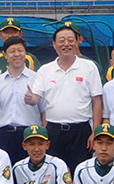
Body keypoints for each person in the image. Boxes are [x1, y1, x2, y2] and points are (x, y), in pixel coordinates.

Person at [25, 23, 103, 174]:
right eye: (61, 40)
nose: (66, 44)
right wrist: (30, 98)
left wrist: (95, 132)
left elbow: (97, 101)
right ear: (54, 44)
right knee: (54, 173)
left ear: (78, 42)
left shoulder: (89, 67)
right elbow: (36, 98)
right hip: (53, 131)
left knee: (81, 173)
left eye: (70, 40)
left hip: (81, 131)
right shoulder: (45, 70)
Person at [0, 36, 45, 165]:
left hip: (30, 135)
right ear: (5, 55)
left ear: (25, 53)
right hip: (5, 135)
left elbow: (44, 111)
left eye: (20, 50)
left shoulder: (37, 79)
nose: (17, 54)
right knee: (5, 171)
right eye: (12, 51)